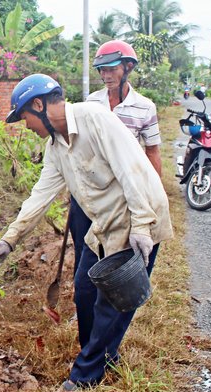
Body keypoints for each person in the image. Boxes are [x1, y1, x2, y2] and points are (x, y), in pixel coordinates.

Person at [0, 74, 173, 391]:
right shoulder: (55, 146)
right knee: (84, 290)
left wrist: (142, 225)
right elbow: (40, 195)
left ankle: (86, 374)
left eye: (24, 117)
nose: (25, 125)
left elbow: (132, 171)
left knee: (113, 301)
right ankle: (100, 352)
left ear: (39, 104)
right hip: (103, 225)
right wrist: (9, 239)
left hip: (137, 215)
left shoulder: (95, 119)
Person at [70, 40, 163, 282]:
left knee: (117, 246)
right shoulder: (91, 102)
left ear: (128, 67)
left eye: (112, 69)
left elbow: (152, 151)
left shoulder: (144, 107)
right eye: (102, 70)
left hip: (123, 191)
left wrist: (154, 193)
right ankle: (84, 291)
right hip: (92, 188)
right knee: (83, 243)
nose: (106, 75)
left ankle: (114, 288)